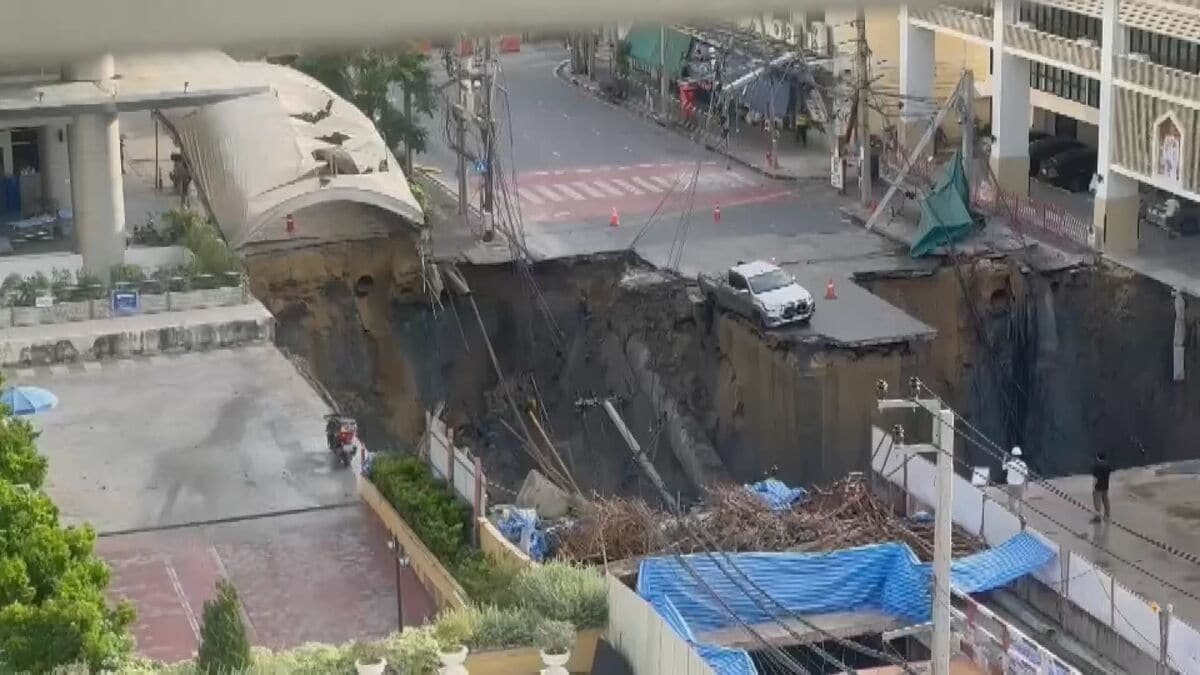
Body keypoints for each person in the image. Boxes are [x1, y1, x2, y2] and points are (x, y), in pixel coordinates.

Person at [1002, 446, 1028, 518]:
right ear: (1019, 455)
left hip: (1011, 485)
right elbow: (1026, 475)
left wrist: (1004, 458)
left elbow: (1003, 467)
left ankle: (1012, 516)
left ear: (1012, 455)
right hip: (1020, 485)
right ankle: (1021, 515)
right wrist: (1026, 486)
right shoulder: (1023, 464)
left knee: (1011, 500)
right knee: (1021, 501)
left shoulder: (1009, 463)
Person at [1092, 452, 1113, 522]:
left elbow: (1095, 478)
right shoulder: (1108, 466)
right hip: (1106, 486)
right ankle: (1107, 516)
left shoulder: (1097, 466)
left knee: (1097, 502)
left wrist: (1093, 487)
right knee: (1106, 501)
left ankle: (1097, 518)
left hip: (1098, 487)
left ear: (1098, 457)